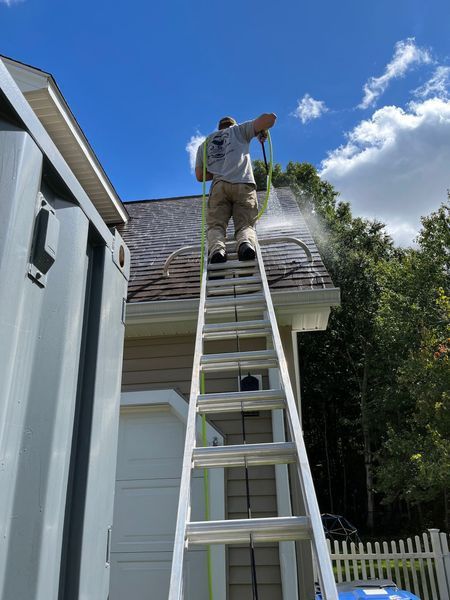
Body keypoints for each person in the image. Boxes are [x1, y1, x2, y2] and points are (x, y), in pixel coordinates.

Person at [195, 113, 277, 263]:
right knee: (245, 223)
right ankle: (245, 244)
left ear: (219, 128)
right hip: (243, 184)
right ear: (233, 124)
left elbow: (200, 176)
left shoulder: (205, 144)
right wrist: (262, 130)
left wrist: (221, 171)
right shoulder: (238, 130)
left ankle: (217, 250)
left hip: (219, 188)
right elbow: (270, 118)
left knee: (216, 225)